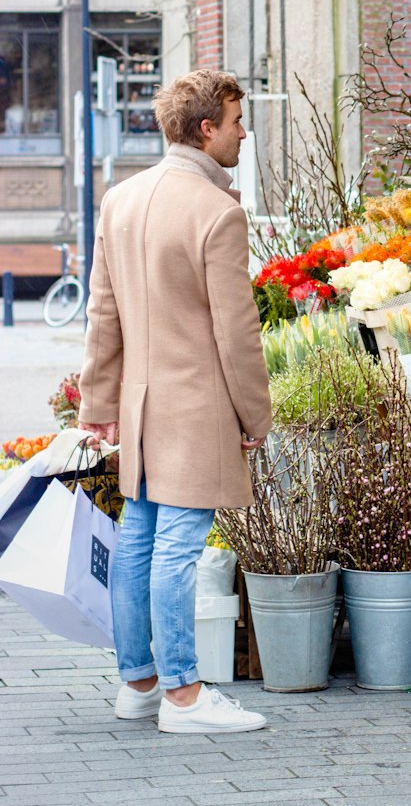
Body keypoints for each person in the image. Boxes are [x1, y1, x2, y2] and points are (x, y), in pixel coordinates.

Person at [79, 69, 272, 734]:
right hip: (196, 407)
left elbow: (103, 317)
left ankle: (139, 682)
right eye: (238, 120)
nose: (245, 132)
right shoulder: (217, 211)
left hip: (140, 404)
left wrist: (97, 405)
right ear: (206, 128)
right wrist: (255, 414)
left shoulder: (120, 201)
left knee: (139, 539)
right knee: (175, 549)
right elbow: (236, 329)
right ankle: (185, 698)